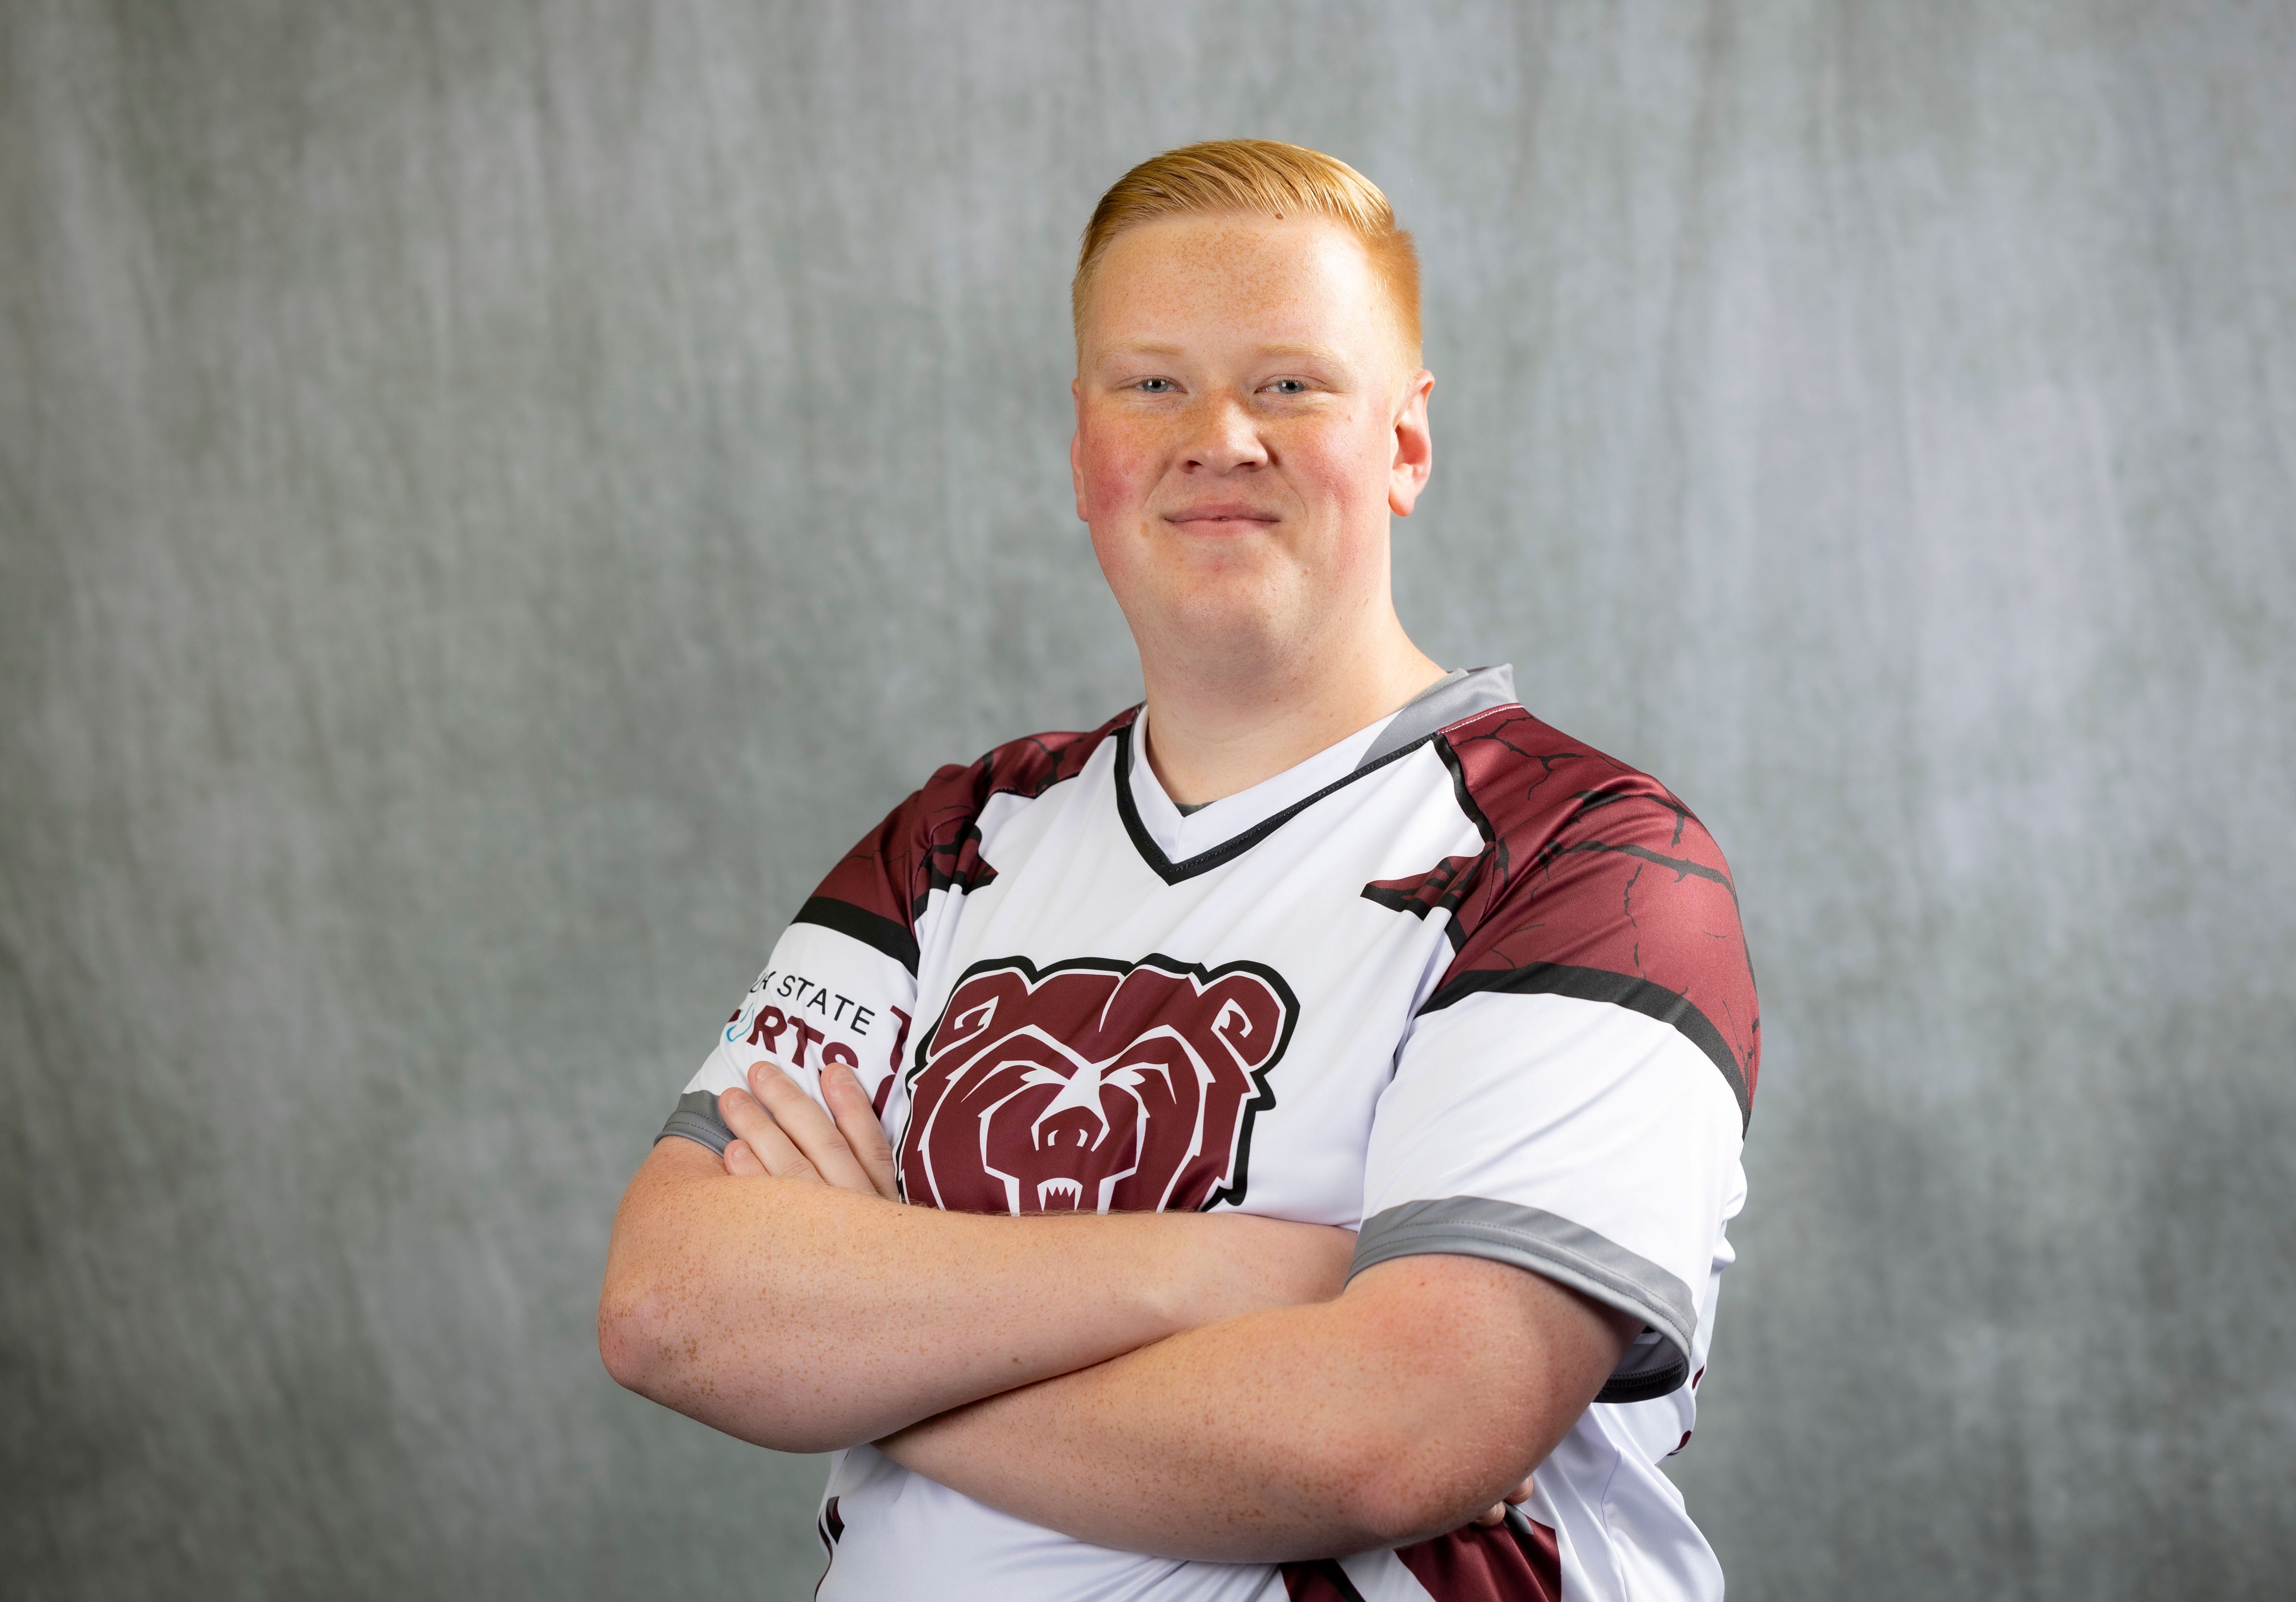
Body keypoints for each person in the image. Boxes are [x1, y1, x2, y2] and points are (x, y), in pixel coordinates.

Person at [599, 138, 1759, 1602]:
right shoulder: (954, 842)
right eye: (1152, 384)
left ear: (1404, 443)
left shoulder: (1596, 862)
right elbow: (672, 1307)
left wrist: (860, 1350)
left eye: (1291, 384)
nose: (1219, 436)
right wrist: (1225, 1274)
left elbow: (1395, 1436)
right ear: (1082, 449)